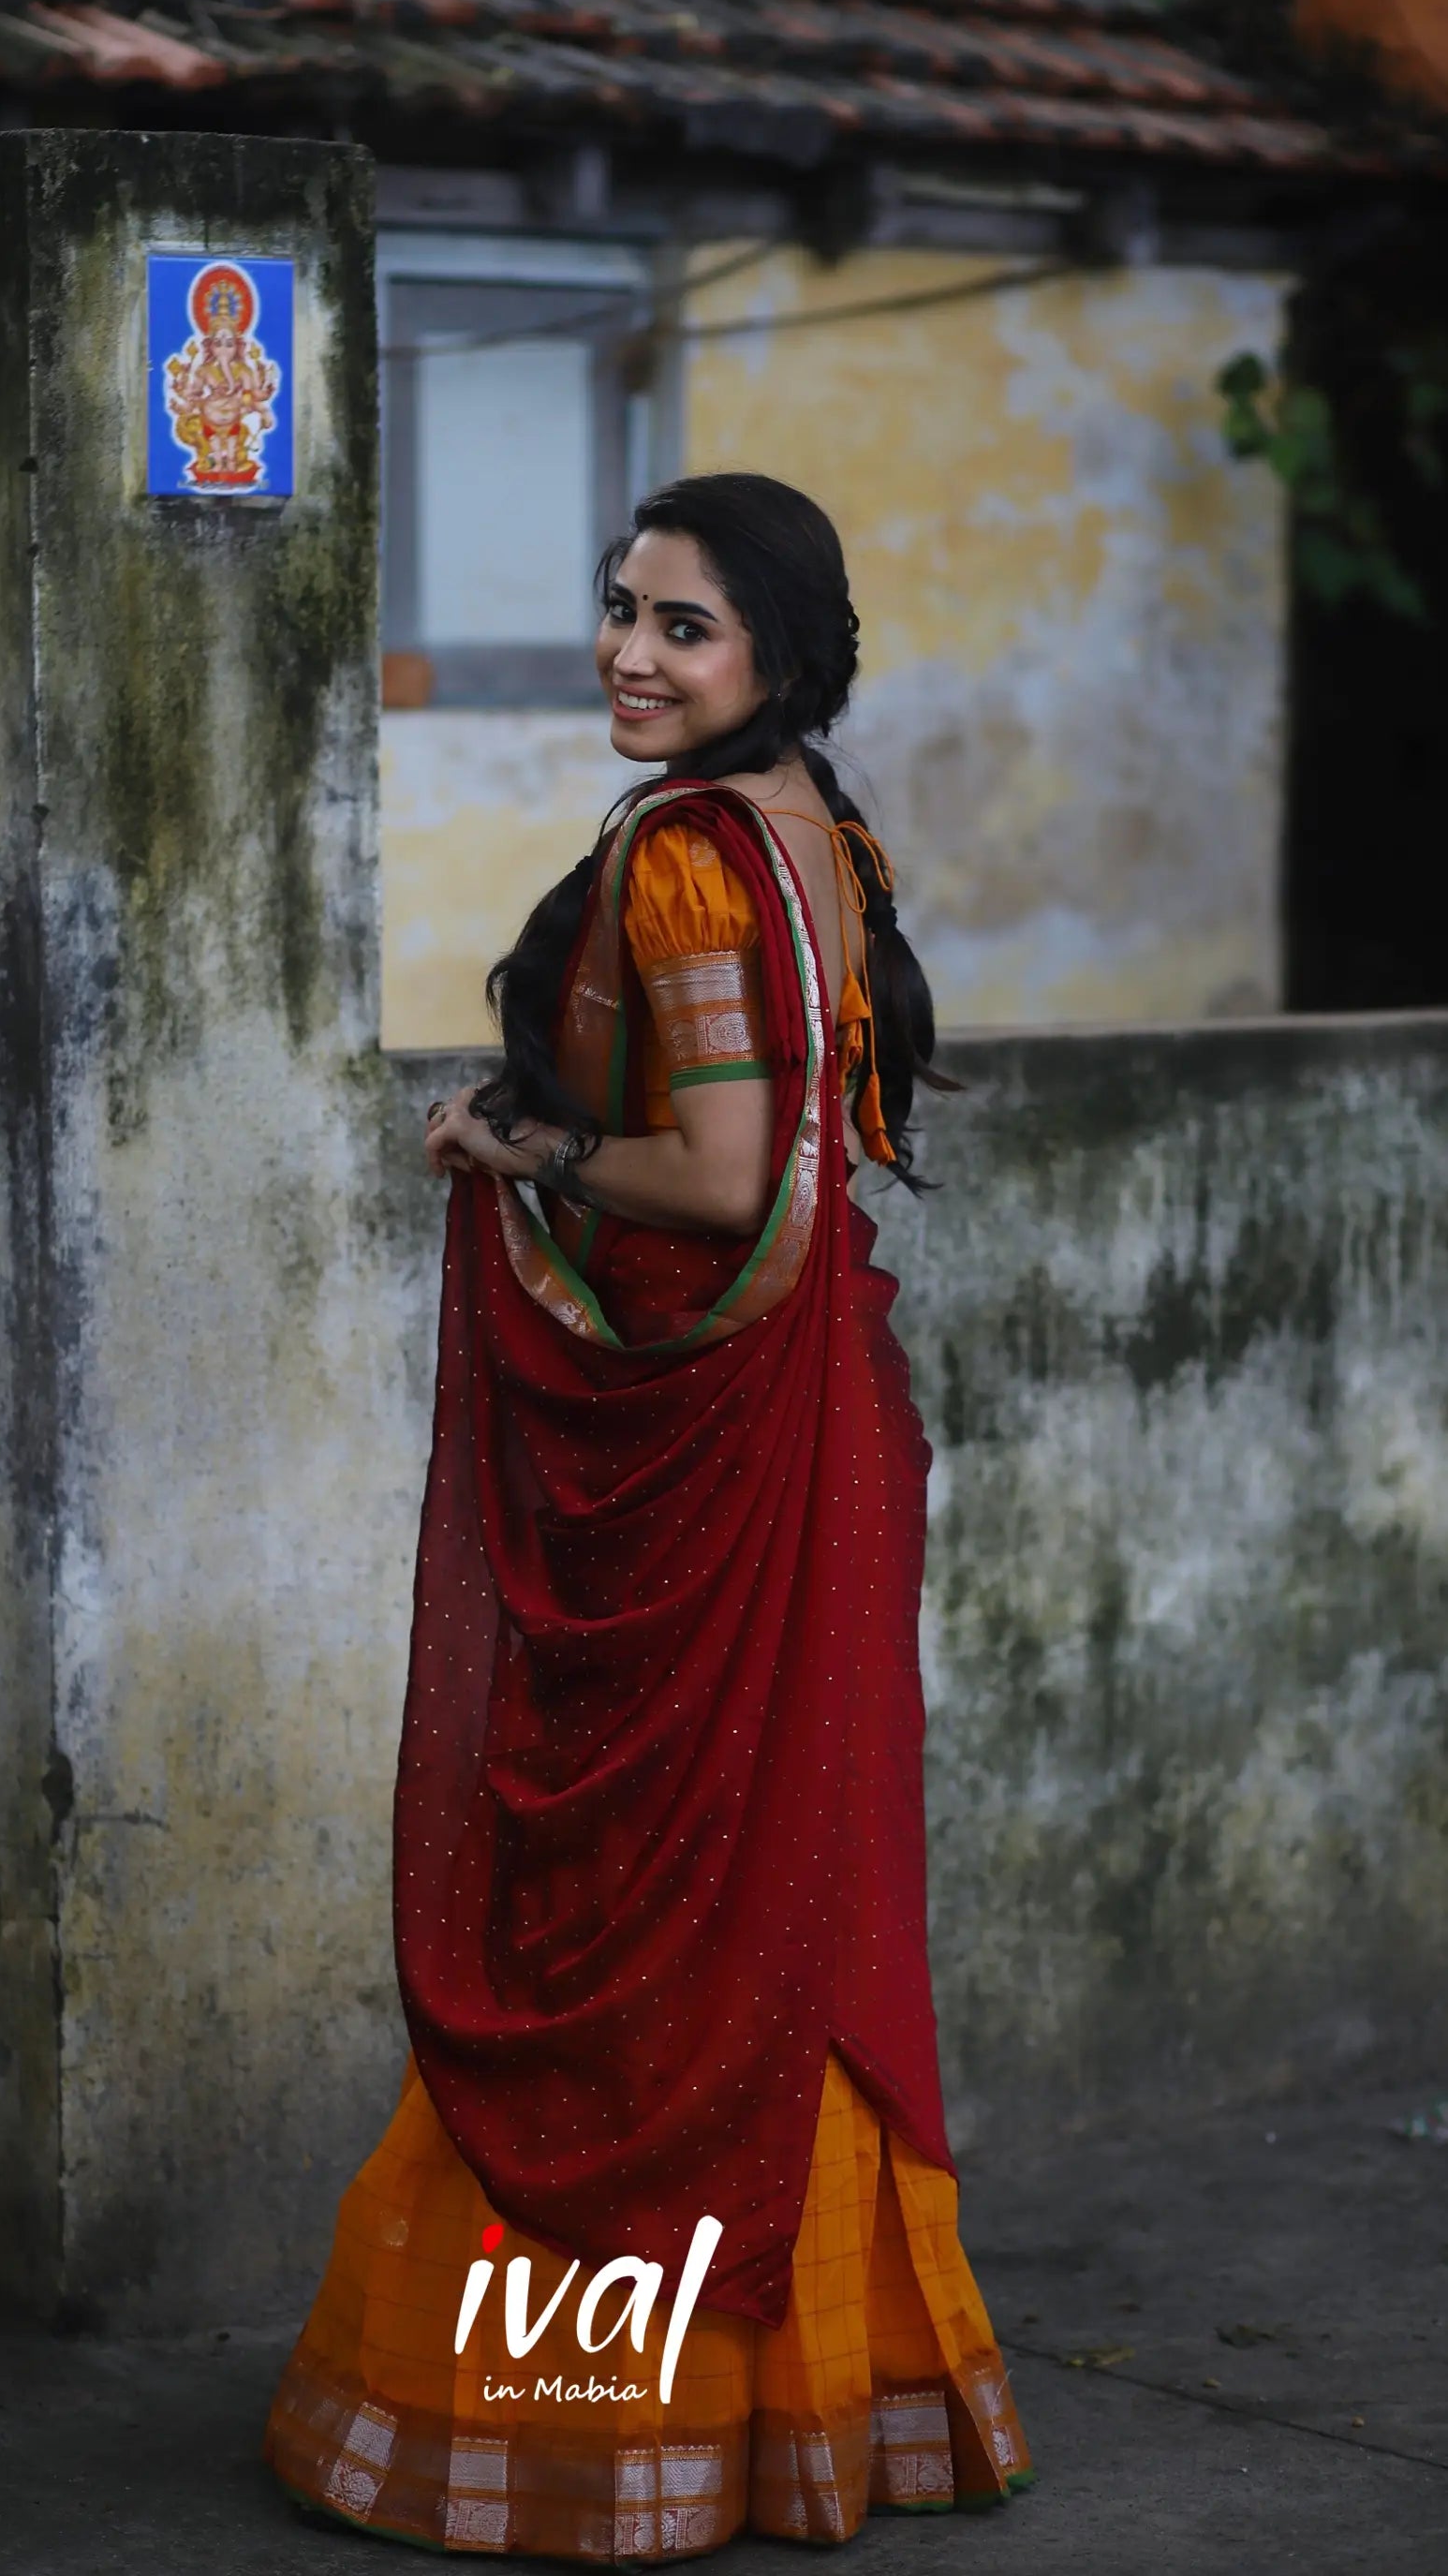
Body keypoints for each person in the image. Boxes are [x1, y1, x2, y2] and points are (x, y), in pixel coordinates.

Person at [265, 473, 1031, 2557]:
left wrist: (506, 1150)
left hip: (728, 1452)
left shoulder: (697, 863)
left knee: (648, 1926)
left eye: (680, 627)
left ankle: (584, 2425)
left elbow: (709, 1180)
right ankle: (824, 2408)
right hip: (817, 1428)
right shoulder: (820, 833)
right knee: (790, 1900)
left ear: (776, 655)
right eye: (619, 611)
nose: (629, 651)